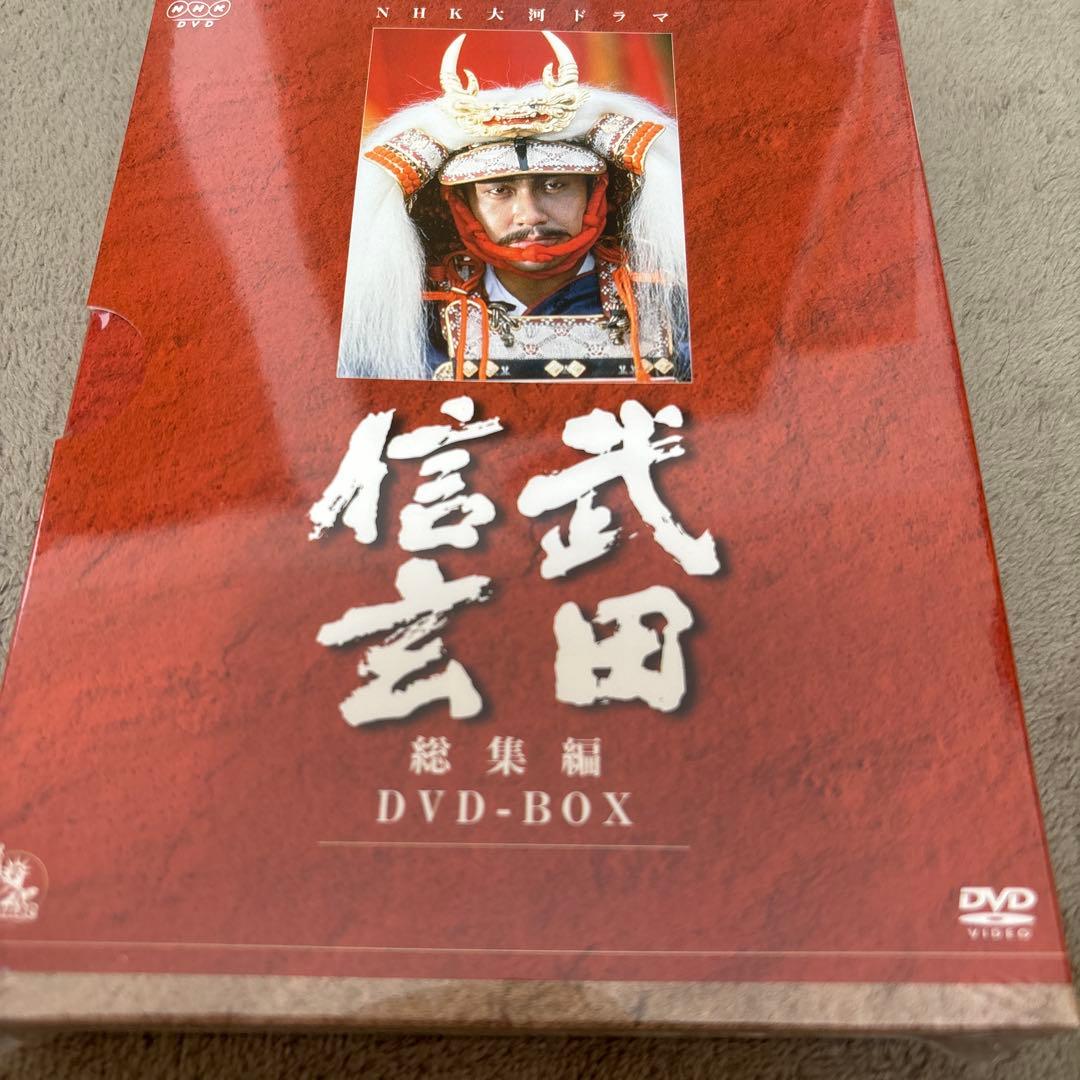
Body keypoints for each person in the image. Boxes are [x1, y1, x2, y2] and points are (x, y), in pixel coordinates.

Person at [339, 31, 690, 382]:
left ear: (598, 190)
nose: (530, 215)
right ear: (460, 203)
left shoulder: (670, 297)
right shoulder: (407, 314)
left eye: (554, 185)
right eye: (499, 190)